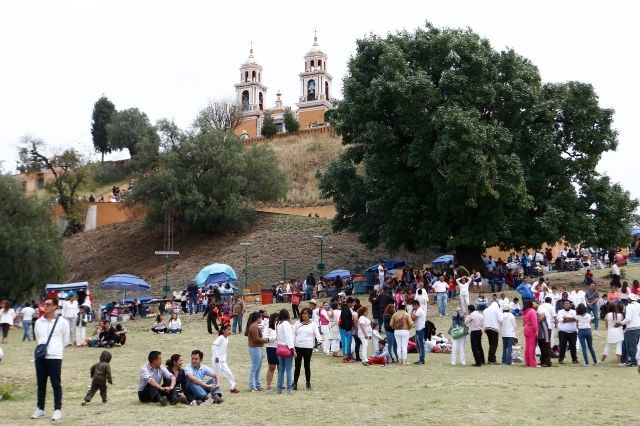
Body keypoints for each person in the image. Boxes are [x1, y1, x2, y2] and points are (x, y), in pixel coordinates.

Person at [31, 298, 70, 421]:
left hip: (55, 357)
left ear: (55, 307)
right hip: (41, 357)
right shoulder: (38, 322)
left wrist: (56, 350)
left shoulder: (62, 322)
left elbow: (65, 339)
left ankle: (57, 410)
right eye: (44, 304)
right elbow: (38, 337)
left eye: (48, 304)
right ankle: (40, 409)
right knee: (41, 384)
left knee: (56, 384)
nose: (45, 306)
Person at [293, 307, 322, 390]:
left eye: (305, 313)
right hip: (298, 346)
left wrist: (320, 341)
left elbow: (317, 334)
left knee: (307, 365)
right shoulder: (297, 323)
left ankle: (308, 383)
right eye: (303, 313)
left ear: (309, 315)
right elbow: (293, 334)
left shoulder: (313, 324)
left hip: (308, 347)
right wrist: (292, 345)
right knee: (297, 366)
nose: (304, 315)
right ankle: (295, 384)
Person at [212, 324, 240, 394]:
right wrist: (216, 357)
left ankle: (232, 388)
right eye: (228, 330)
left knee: (229, 373)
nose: (230, 331)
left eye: (230, 329)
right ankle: (213, 390)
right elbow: (214, 346)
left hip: (223, 361)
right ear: (223, 331)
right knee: (216, 376)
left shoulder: (226, 338)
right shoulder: (220, 337)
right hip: (217, 361)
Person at [245, 312, 268, 391]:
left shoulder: (254, 326)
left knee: (258, 368)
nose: (261, 319)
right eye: (261, 317)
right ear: (257, 318)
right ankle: (252, 385)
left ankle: (258, 385)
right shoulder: (254, 327)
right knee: (254, 367)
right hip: (255, 348)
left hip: (258, 348)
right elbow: (256, 339)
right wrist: (265, 340)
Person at [276, 309, 295, 394]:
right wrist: (293, 349)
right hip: (287, 348)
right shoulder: (286, 324)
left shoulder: (278, 324)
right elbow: (289, 338)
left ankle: (279, 388)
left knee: (281, 370)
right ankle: (289, 388)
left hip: (280, 347)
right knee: (288, 369)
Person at [557, 299, 579, 364]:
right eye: (565, 304)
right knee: (562, 346)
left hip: (573, 332)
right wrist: (571, 319)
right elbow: (560, 319)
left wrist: (566, 318)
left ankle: (574, 359)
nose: (566, 305)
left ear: (570, 305)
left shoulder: (574, 311)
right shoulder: (560, 311)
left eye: (567, 304)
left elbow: (576, 319)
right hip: (562, 332)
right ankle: (561, 359)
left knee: (573, 346)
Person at [621, 293, 640, 366]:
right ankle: (637, 361)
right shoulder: (639, 305)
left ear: (629, 299)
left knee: (632, 346)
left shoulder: (629, 306)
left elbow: (628, 319)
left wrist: (621, 323)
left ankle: (633, 361)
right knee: (637, 345)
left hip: (632, 328)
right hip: (639, 327)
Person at [483, 300, 502, 364]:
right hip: (494, 328)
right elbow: (501, 319)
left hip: (486, 329)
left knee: (491, 344)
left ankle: (491, 358)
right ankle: (492, 359)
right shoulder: (496, 309)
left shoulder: (485, 310)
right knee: (494, 344)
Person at [264, 313, 279, 389]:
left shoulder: (281, 327)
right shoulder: (268, 328)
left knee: (281, 367)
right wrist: (273, 338)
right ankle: (268, 385)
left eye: (278, 320)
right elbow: (265, 338)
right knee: (271, 367)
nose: (276, 321)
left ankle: (280, 384)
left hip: (280, 348)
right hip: (271, 348)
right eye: (275, 320)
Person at [522, 300, 538, 367]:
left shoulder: (524, 312)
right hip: (531, 330)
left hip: (526, 329)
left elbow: (523, 322)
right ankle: (532, 362)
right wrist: (536, 330)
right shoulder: (532, 311)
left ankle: (527, 362)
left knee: (527, 347)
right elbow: (534, 323)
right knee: (532, 347)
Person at [410, 300, 427, 365]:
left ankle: (422, 359)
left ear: (416, 305)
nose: (413, 307)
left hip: (420, 329)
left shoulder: (419, 310)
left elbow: (413, 318)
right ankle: (420, 358)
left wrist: (411, 312)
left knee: (421, 345)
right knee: (418, 345)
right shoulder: (417, 311)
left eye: (413, 306)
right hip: (418, 329)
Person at [339, 297, 356, 362]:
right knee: (346, 343)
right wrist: (347, 329)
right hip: (345, 329)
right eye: (352, 304)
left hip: (346, 329)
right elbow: (345, 320)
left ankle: (348, 356)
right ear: (349, 303)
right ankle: (345, 358)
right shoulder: (345, 309)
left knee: (348, 343)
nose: (352, 305)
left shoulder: (346, 308)